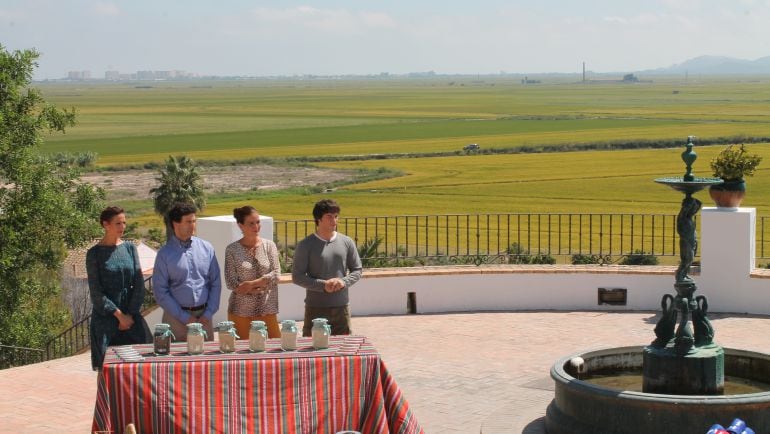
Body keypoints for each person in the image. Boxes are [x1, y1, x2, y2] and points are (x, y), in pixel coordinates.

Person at [87, 206, 152, 370]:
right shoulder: (94, 254)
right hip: (106, 320)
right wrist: (118, 316)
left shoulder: (130, 248)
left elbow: (138, 282)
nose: (122, 227)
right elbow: (96, 292)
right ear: (106, 224)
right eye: (118, 223)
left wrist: (129, 314)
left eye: (124, 223)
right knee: (107, 371)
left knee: (140, 365)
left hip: (132, 318)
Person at [292, 199, 363, 336]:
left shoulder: (347, 242)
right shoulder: (306, 245)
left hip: (342, 307)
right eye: (329, 217)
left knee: (343, 349)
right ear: (318, 219)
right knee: (313, 351)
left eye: (336, 216)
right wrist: (323, 285)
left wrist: (343, 282)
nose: (334, 220)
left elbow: (357, 270)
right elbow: (297, 276)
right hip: (315, 308)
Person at [152, 202, 221, 341]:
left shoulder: (207, 248)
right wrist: (184, 317)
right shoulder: (164, 254)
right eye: (188, 222)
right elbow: (160, 291)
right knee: (176, 361)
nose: (193, 225)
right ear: (176, 224)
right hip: (176, 320)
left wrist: (208, 313)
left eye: (194, 221)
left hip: (204, 319)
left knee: (205, 361)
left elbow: (215, 283)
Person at [224, 206, 281, 338]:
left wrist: (251, 284)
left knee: (273, 349)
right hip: (240, 310)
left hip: (267, 309)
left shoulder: (269, 245)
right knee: (242, 353)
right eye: (251, 223)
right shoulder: (232, 250)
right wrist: (258, 287)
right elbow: (231, 282)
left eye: (258, 222)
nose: (256, 226)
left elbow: (276, 273)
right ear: (240, 225)